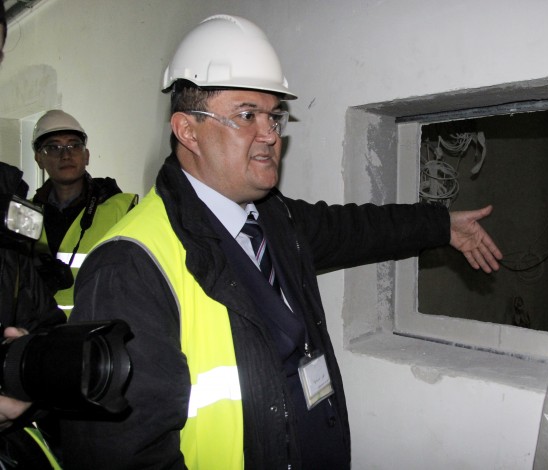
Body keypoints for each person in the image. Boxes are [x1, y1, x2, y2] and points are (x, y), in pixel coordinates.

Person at [60, 14, 503, 469]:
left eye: (274, 116)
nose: (270, 134)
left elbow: (356, 229)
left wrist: (441, 224)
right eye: (247, 115)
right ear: (188, 131)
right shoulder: (130, 267)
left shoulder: (273, 218)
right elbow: (124, 454)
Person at [0, 4, 65, 468]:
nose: (66, 155)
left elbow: (35, 315)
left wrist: (34, 356)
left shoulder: (13, 208)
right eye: (53, 147)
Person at [31, 110, 138, 315]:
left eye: (74, 145)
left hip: (97, 330)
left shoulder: (122, 209)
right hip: (37, 330)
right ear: (39, 159)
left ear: (86, 156)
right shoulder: (23, 214)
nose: (66, 155)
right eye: (53, 147)